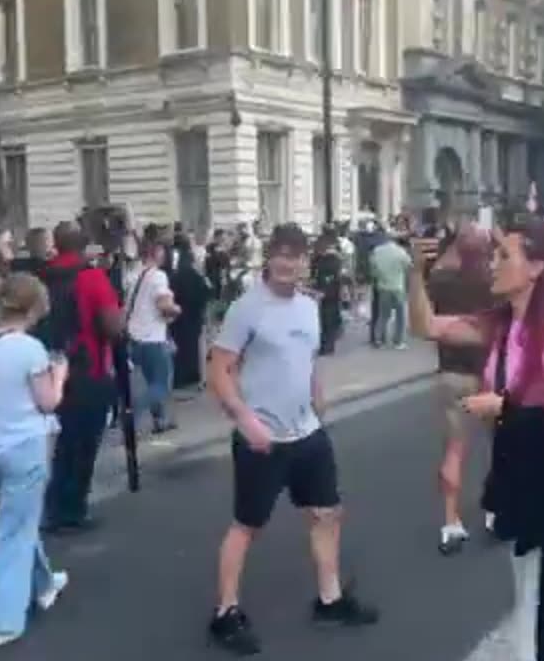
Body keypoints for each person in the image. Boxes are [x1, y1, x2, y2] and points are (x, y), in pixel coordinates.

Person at [409, 216, 544, 661]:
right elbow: (427, 326)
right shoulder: (502, 326)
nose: (493, 265)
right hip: (519, 482)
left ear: (536, 268)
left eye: (504, 256)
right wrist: (415, 273)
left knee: (540, 622)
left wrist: (507, 407)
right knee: (540, 614)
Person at [205, 223, 379, 656]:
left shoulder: (307, 306)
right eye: (281, 254)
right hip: (262, 437)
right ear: (269, 257)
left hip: (307, 433)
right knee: (247, 526)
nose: (289, 262)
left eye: (297, 255)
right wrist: (245, 420)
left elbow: (308, 361)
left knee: (326, 512)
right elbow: (219, 370)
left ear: (306, 260)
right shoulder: (247, 308)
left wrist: (318, 402)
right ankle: (225, 613)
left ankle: (330, 600)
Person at [0, 273, 71, 652]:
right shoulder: (30, 349)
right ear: (35, 307)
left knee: (19, 519)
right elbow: (48, 402)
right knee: (13, 530)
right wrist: (60, 376)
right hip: (24, 447)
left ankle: (43, 583)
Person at [40, 222, 123, 534]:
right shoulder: (91, 277)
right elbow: (112, 326)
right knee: (82, 442)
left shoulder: (42, 276)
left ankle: (54, 505)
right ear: (84, 245)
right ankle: (70, 508)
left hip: (48, 366)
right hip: (87, 368)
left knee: (62, 442)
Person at [425, 223, 497, 554]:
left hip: (451, 372)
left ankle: (450, 522)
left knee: (454, 449)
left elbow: (434, 272)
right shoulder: (493, 284)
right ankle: (496, 510)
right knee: (499, 445)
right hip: (487, 373)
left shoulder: (441, 280)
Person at [125, 239, 180, 434]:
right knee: (161, 385)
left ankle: (160, 420)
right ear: (154, 252)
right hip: (152, 337)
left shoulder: (134, 274)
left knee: (151, 382)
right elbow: (164, 306)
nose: (164, 255)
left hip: (134, 337)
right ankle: (132, 412)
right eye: (161, 251)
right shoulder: (158, 276)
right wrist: (177, 310)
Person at [170, 235, 211, 390]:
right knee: (194, 347)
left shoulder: (175, 275)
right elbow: (206, 292)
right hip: (194, 316)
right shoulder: (196, 275)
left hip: (179, 316)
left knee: (180, 348)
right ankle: (193, 376)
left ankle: (180, 377)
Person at [369, 232, 413, 350]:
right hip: (398, 286)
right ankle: (398, 341)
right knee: (400, 316)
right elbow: (409, 266)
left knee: (383, 315)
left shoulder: (377, 251)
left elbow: (373, 269)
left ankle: (378, 339)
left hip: (383, 287)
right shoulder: (401, 252)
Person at [311, 228, 345, 355]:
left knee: (327, 319)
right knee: (328, 319)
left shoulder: (329, 259)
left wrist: (322, 290)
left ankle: (327, 346)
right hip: (331, 292)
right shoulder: (333, 258)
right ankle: (327, 345)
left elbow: (329, 277)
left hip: (327, 292)